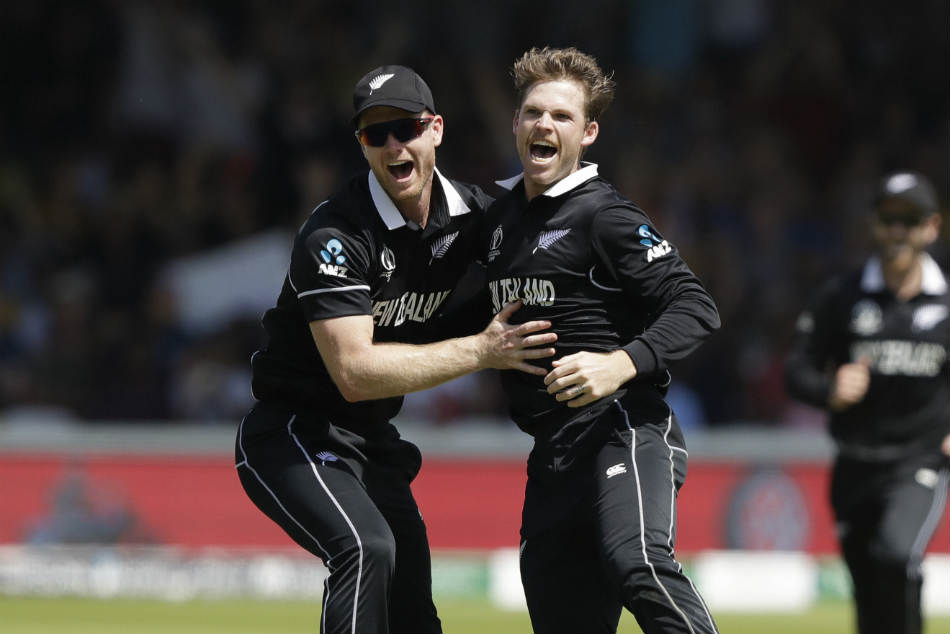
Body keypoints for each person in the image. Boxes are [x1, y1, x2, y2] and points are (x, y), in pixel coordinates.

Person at [235, 65, 557, 634]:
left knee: (414, 617)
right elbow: (355, 373)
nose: (392, 145)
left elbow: (555, 241)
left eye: (405, 128)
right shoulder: (334, 235)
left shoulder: (478, 217)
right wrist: (482, 351)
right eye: (375, 134)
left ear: (436, 130)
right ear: (362, 144)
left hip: (372, 441)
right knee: (365, 548)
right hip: (293, 433)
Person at [481, 47, 721, 634]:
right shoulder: (495, 223)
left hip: (623, 428)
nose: (545, 124)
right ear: (515, 123)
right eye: (534, 112)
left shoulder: (605, 216)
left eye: (562, 116)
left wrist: (620, 364)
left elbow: (696, 306)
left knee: (638, 562)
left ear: (588, 133)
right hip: (552, 455)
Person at [785, 170, 949, 634]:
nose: (898, 231)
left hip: (919, 462)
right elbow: (796, 370)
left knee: (897, 557)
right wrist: (830, 390)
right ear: (874, 224)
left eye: (909, 220)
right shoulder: (842, 296)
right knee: (869, 584)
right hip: (854, 464)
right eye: (888, 219)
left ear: (931, 226)